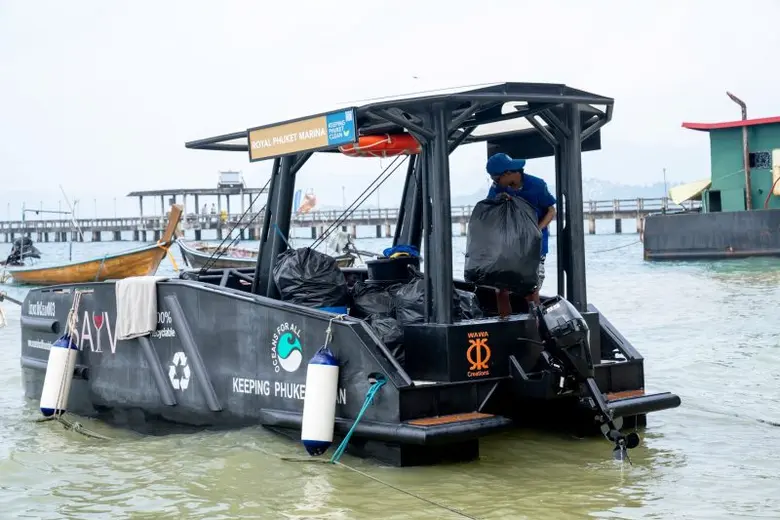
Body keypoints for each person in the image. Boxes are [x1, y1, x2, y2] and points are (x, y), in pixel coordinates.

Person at [485, 153, 557, 304]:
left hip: (533, 247)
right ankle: (504, 318)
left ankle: (534, 318)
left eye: (496, 179)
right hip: (508, 246)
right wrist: (499, 201)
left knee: (532, 289)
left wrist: (537, 229)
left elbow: (551, 211)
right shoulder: (498, 188)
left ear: (507, 173)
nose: (495, 182)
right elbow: (488, 210)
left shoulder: (537, 185)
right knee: (501, 289)